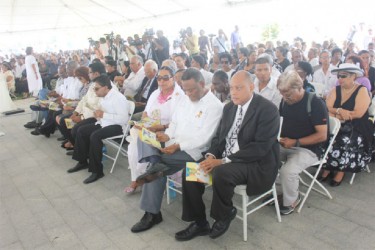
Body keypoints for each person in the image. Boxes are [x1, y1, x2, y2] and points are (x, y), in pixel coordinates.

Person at [174, 70, 280, 241]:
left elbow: (260, 148)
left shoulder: (268, 110)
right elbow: (219, 138)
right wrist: (210, 156)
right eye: (231, 88)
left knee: (222, 172)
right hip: (227, 157)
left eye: (239, 88)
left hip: (255, 163)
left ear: (251, 87)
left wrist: (222, 161)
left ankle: (223, 214)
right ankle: (200, 222)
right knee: (191, 172)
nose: (233, 92)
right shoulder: (229, 107)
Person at [130, 68, 223, 233]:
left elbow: (205, 138)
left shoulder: (214, 106)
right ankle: (155, 161)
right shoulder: (185, 98)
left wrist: (178, 145)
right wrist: (167, 136)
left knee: (155, 169)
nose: (188, 94)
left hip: (194, 152)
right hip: (172, 145)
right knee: (143, 137)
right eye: (185, 89)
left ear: (202, 84)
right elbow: (174, 122)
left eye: (191, 89)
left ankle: (152, 214)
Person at [125, 66, 185, 193]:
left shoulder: (180, 96)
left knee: (138, 146)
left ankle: (147, 173)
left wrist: (160, 127)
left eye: (165, 78)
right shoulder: (155, 93)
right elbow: (146, 112)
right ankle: (138, 178)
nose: (162, 81)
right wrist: (145, 120)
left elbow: (179, 122)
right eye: (159, 78)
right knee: (132, 149)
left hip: (168, 132)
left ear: (173, 78)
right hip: (150, 129)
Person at [276, 71, 328, 215]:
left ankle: (292, 199)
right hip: (286, 143)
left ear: (299, 87)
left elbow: (322, 136)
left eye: (288, 95)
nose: (285, 98)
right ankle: (280, 191)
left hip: (309, 149)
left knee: (288, 171)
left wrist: (296, 142)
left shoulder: (315, 103)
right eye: (282, 94)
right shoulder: (285, 101)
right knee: (263, 157)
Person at [67, 75, 130, 184]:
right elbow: (103, 113)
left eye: (97, 88)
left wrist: (103, 115)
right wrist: (98, 114)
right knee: (81, 131)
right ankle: (82, 161)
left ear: (105, 87)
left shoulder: (118, 98)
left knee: (95, 136)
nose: (95, 91)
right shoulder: (104, 97)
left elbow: (124, 119)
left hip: (118, 127)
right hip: (104, 122)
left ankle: (97, 171)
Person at [320, 63, 372, 186]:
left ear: (353, 76)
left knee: (344, 139)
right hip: (338, 123)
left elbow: (358, 114)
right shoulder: (335, 89)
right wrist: (339, 112)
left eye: (343, 76)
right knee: (323, 135)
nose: (340, 79)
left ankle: (340, 170)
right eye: (339, 76)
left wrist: (335, 114)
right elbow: (327, 107)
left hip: (358, 125)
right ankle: (328, 167)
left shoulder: (362, 90)